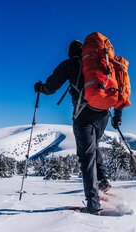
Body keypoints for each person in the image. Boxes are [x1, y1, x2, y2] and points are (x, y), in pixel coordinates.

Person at [34, 40, 123, 214]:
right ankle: (103, 183)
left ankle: (93, 203)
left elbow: (51, 88)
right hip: (103, 114)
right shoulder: (102, 65)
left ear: (70, 53)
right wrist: (117, 117)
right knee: (94, 147)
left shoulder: (69, 64)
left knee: (86, 156)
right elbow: (118, 88)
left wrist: (39, 88)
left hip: (83, 116)